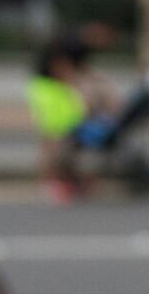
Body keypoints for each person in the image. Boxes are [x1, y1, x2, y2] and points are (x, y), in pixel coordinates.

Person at [27, 29, 121, 205]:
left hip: (53, 88)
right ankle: (49, 183)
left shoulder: (78, 44)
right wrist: (74, 86)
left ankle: (63, 182)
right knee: (53, 137)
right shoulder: (71, 43)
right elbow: (62, 67)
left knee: (61, 139)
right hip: (50, 88)